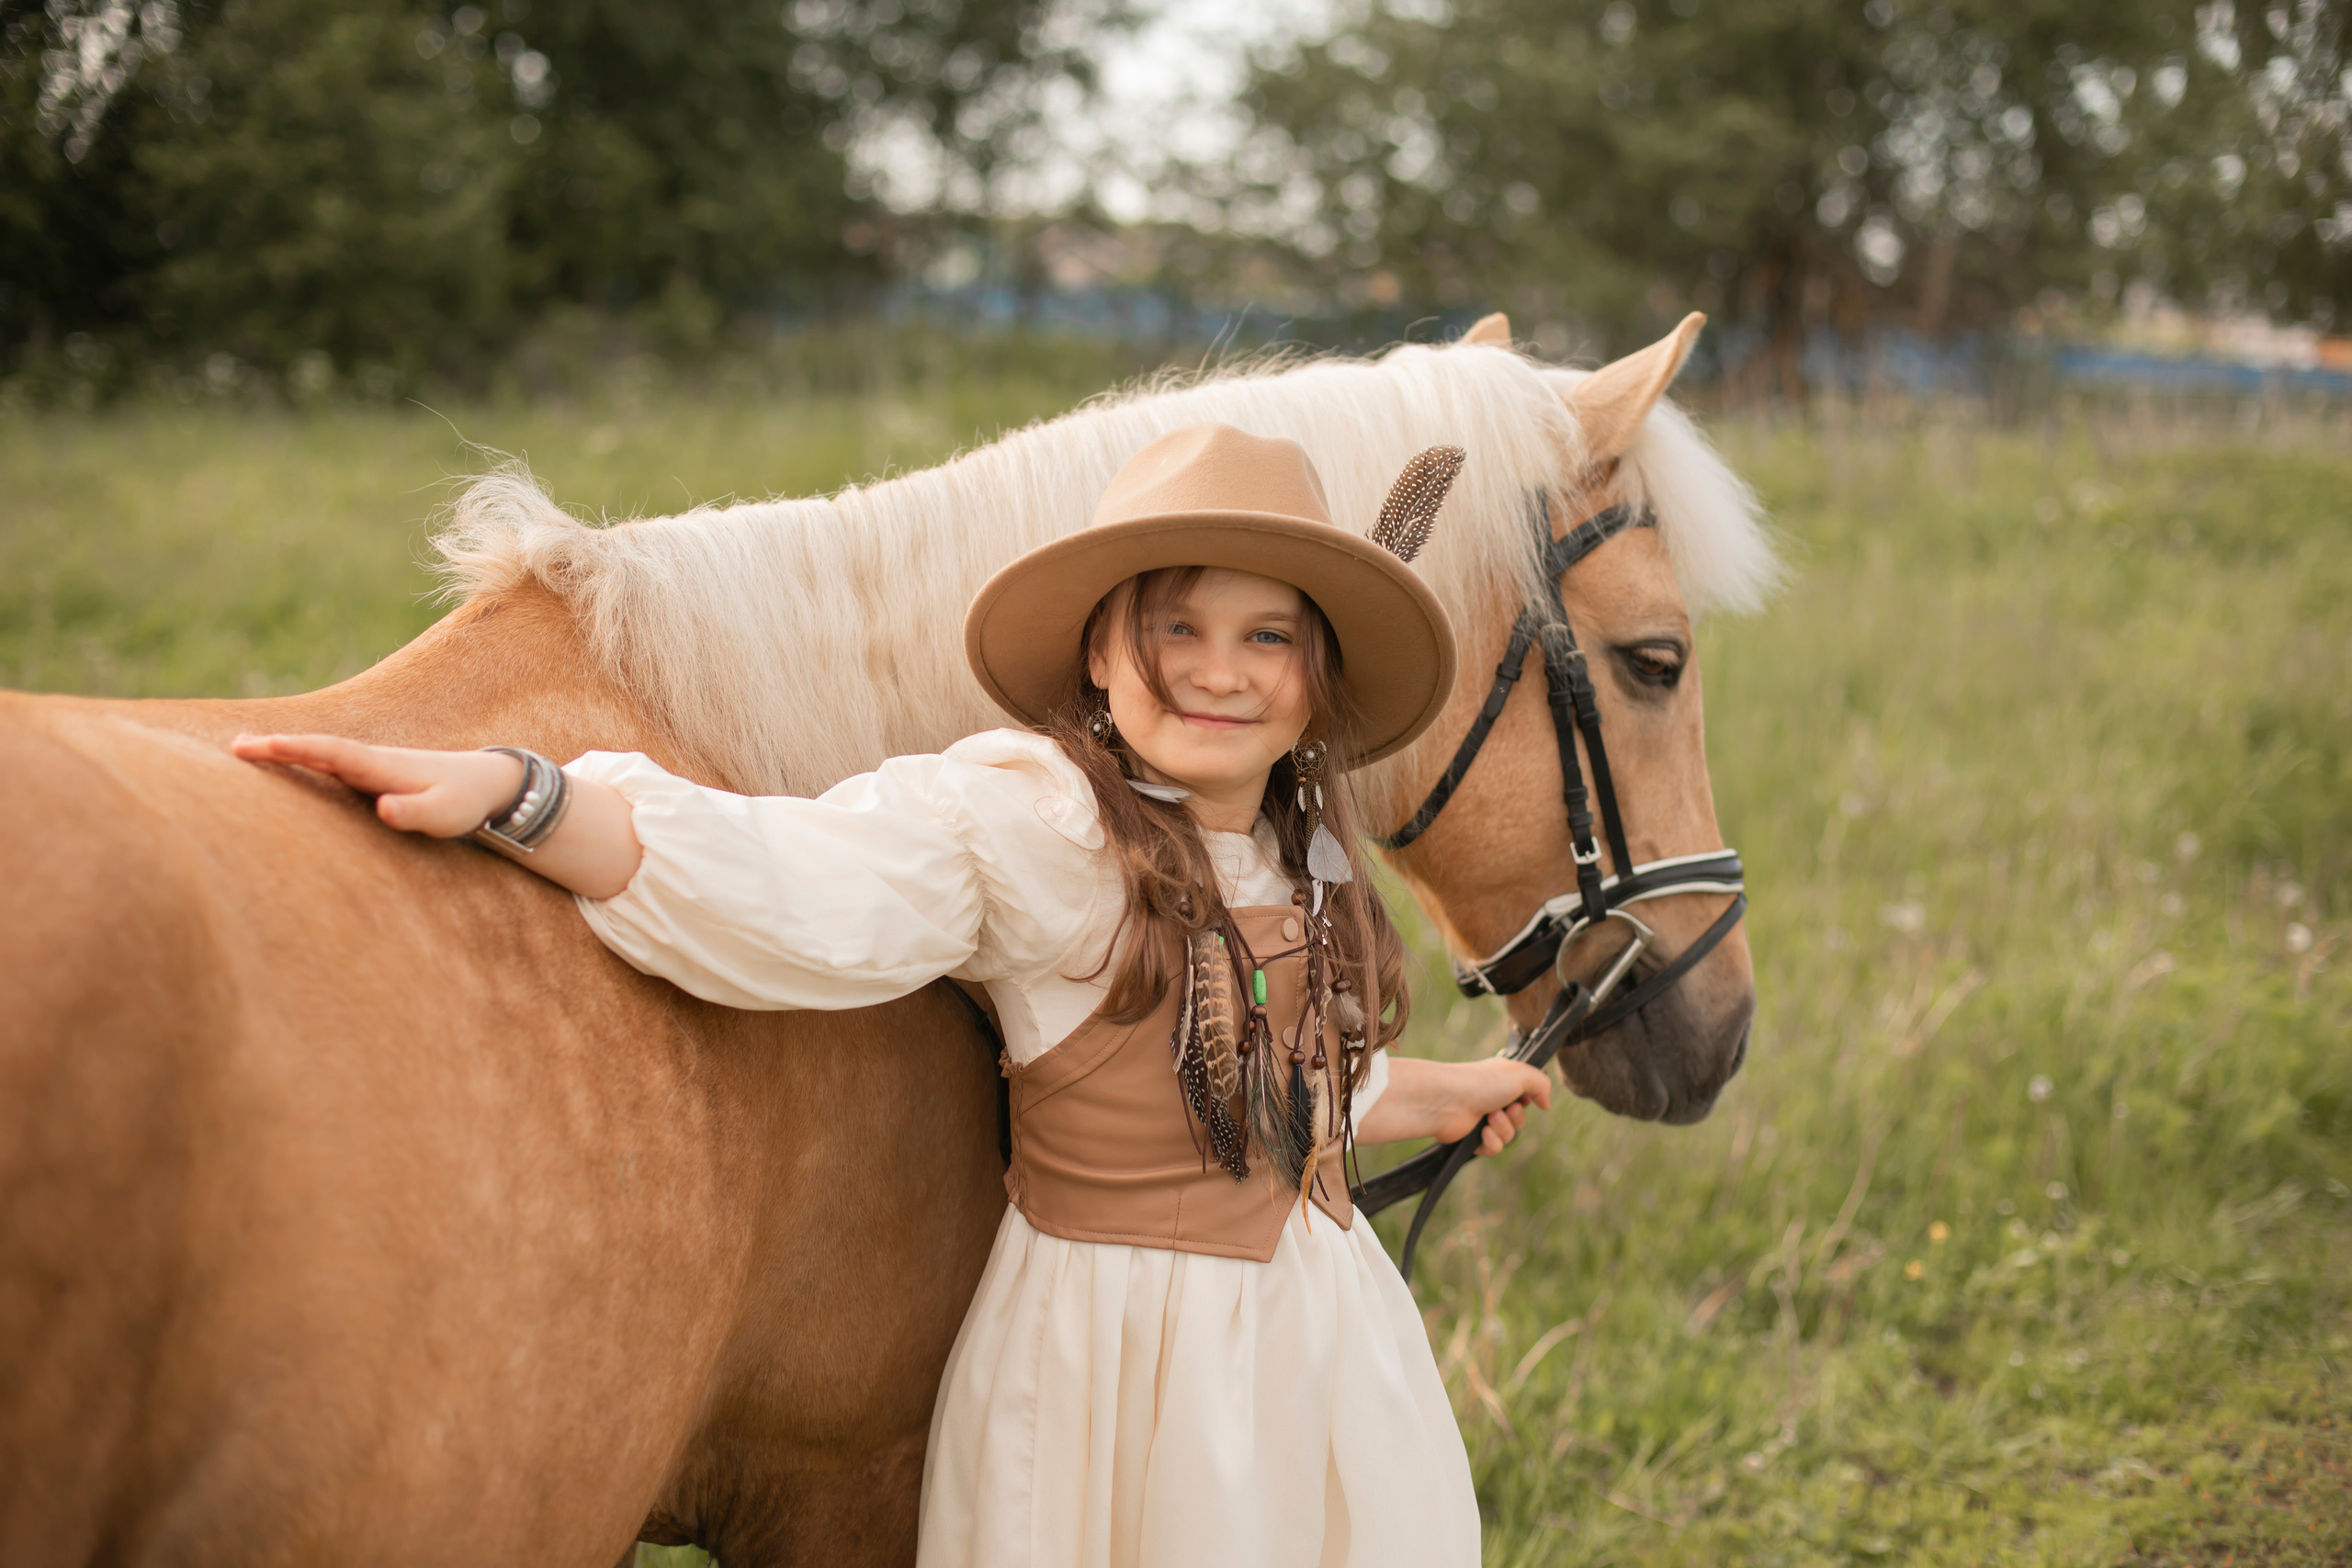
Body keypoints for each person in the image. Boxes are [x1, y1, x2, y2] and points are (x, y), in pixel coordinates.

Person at [232, 423, 1549, 1567]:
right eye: (1176, 629)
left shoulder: (1300, 850)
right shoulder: (1035, 829)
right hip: (1123, 1368)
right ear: (1100, 653)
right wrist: (530, 797)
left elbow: (1282, 1078)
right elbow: (794, 883)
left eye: (1268, 635)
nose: (1221, 670)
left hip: (1311, 1341)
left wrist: (1439, 1093)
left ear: (1316, 673)